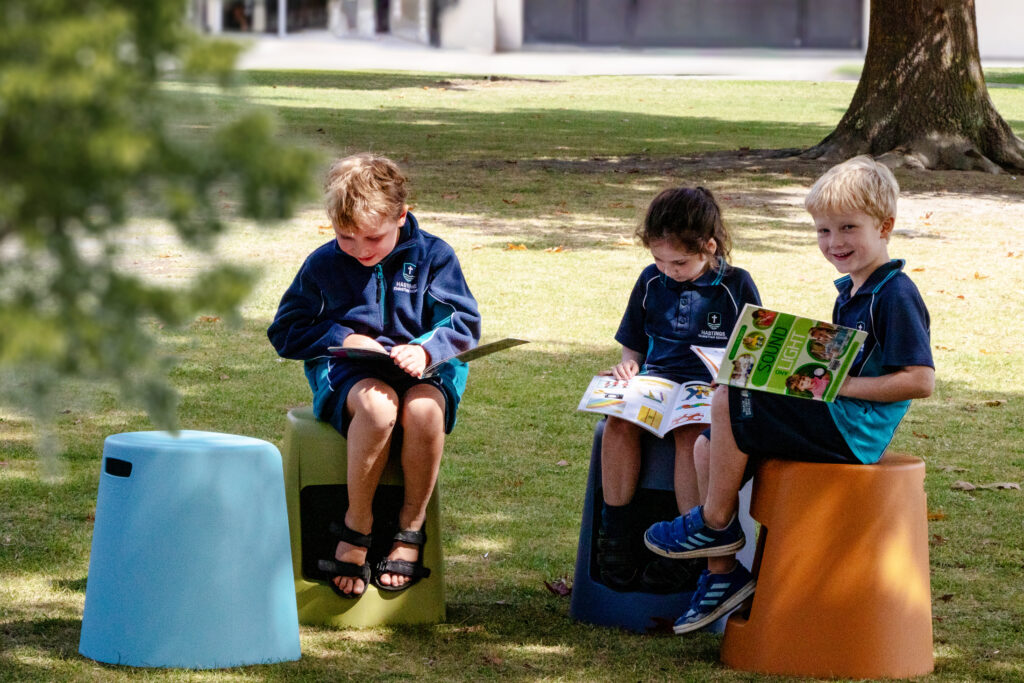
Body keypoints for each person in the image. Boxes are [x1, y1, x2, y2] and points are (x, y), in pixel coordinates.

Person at [644, 155, 934, 634]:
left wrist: (829, 384)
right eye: (823, 231)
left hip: (853, 432)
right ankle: (723, 575)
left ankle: (713, 522)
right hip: (834, 415)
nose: (834, 242)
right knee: (705, 442)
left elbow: (920, 380)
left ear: (885, 226)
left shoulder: (895, 293)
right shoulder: (853, 290)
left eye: (847, 228)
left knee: (730, 394)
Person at [268, 153, 480, 597]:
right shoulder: (323, 264)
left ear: (401, 216)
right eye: (346, 237)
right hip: (351, 375)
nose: (361, 249)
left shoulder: (434, 256)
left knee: (422, 411)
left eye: (373, 237)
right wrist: (344, 338)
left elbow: (464, 323)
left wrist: (425, 350)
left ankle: (410, 527)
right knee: (378, 406)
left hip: (425, 371)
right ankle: (357, 523)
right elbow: (286, 331)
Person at [597, 187, 761, 593]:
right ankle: (615, 532)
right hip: (657, 381)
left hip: (709, 388)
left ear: (709, 247)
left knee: (692, 436)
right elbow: (632, 341)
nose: (668, 269)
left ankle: (689, 543)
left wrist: (726, 375)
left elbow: (754, 349)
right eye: (658, 260)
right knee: (617, 423)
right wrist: (629, 363)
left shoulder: (735, 285)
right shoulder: (651, 281)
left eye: (680, 262)